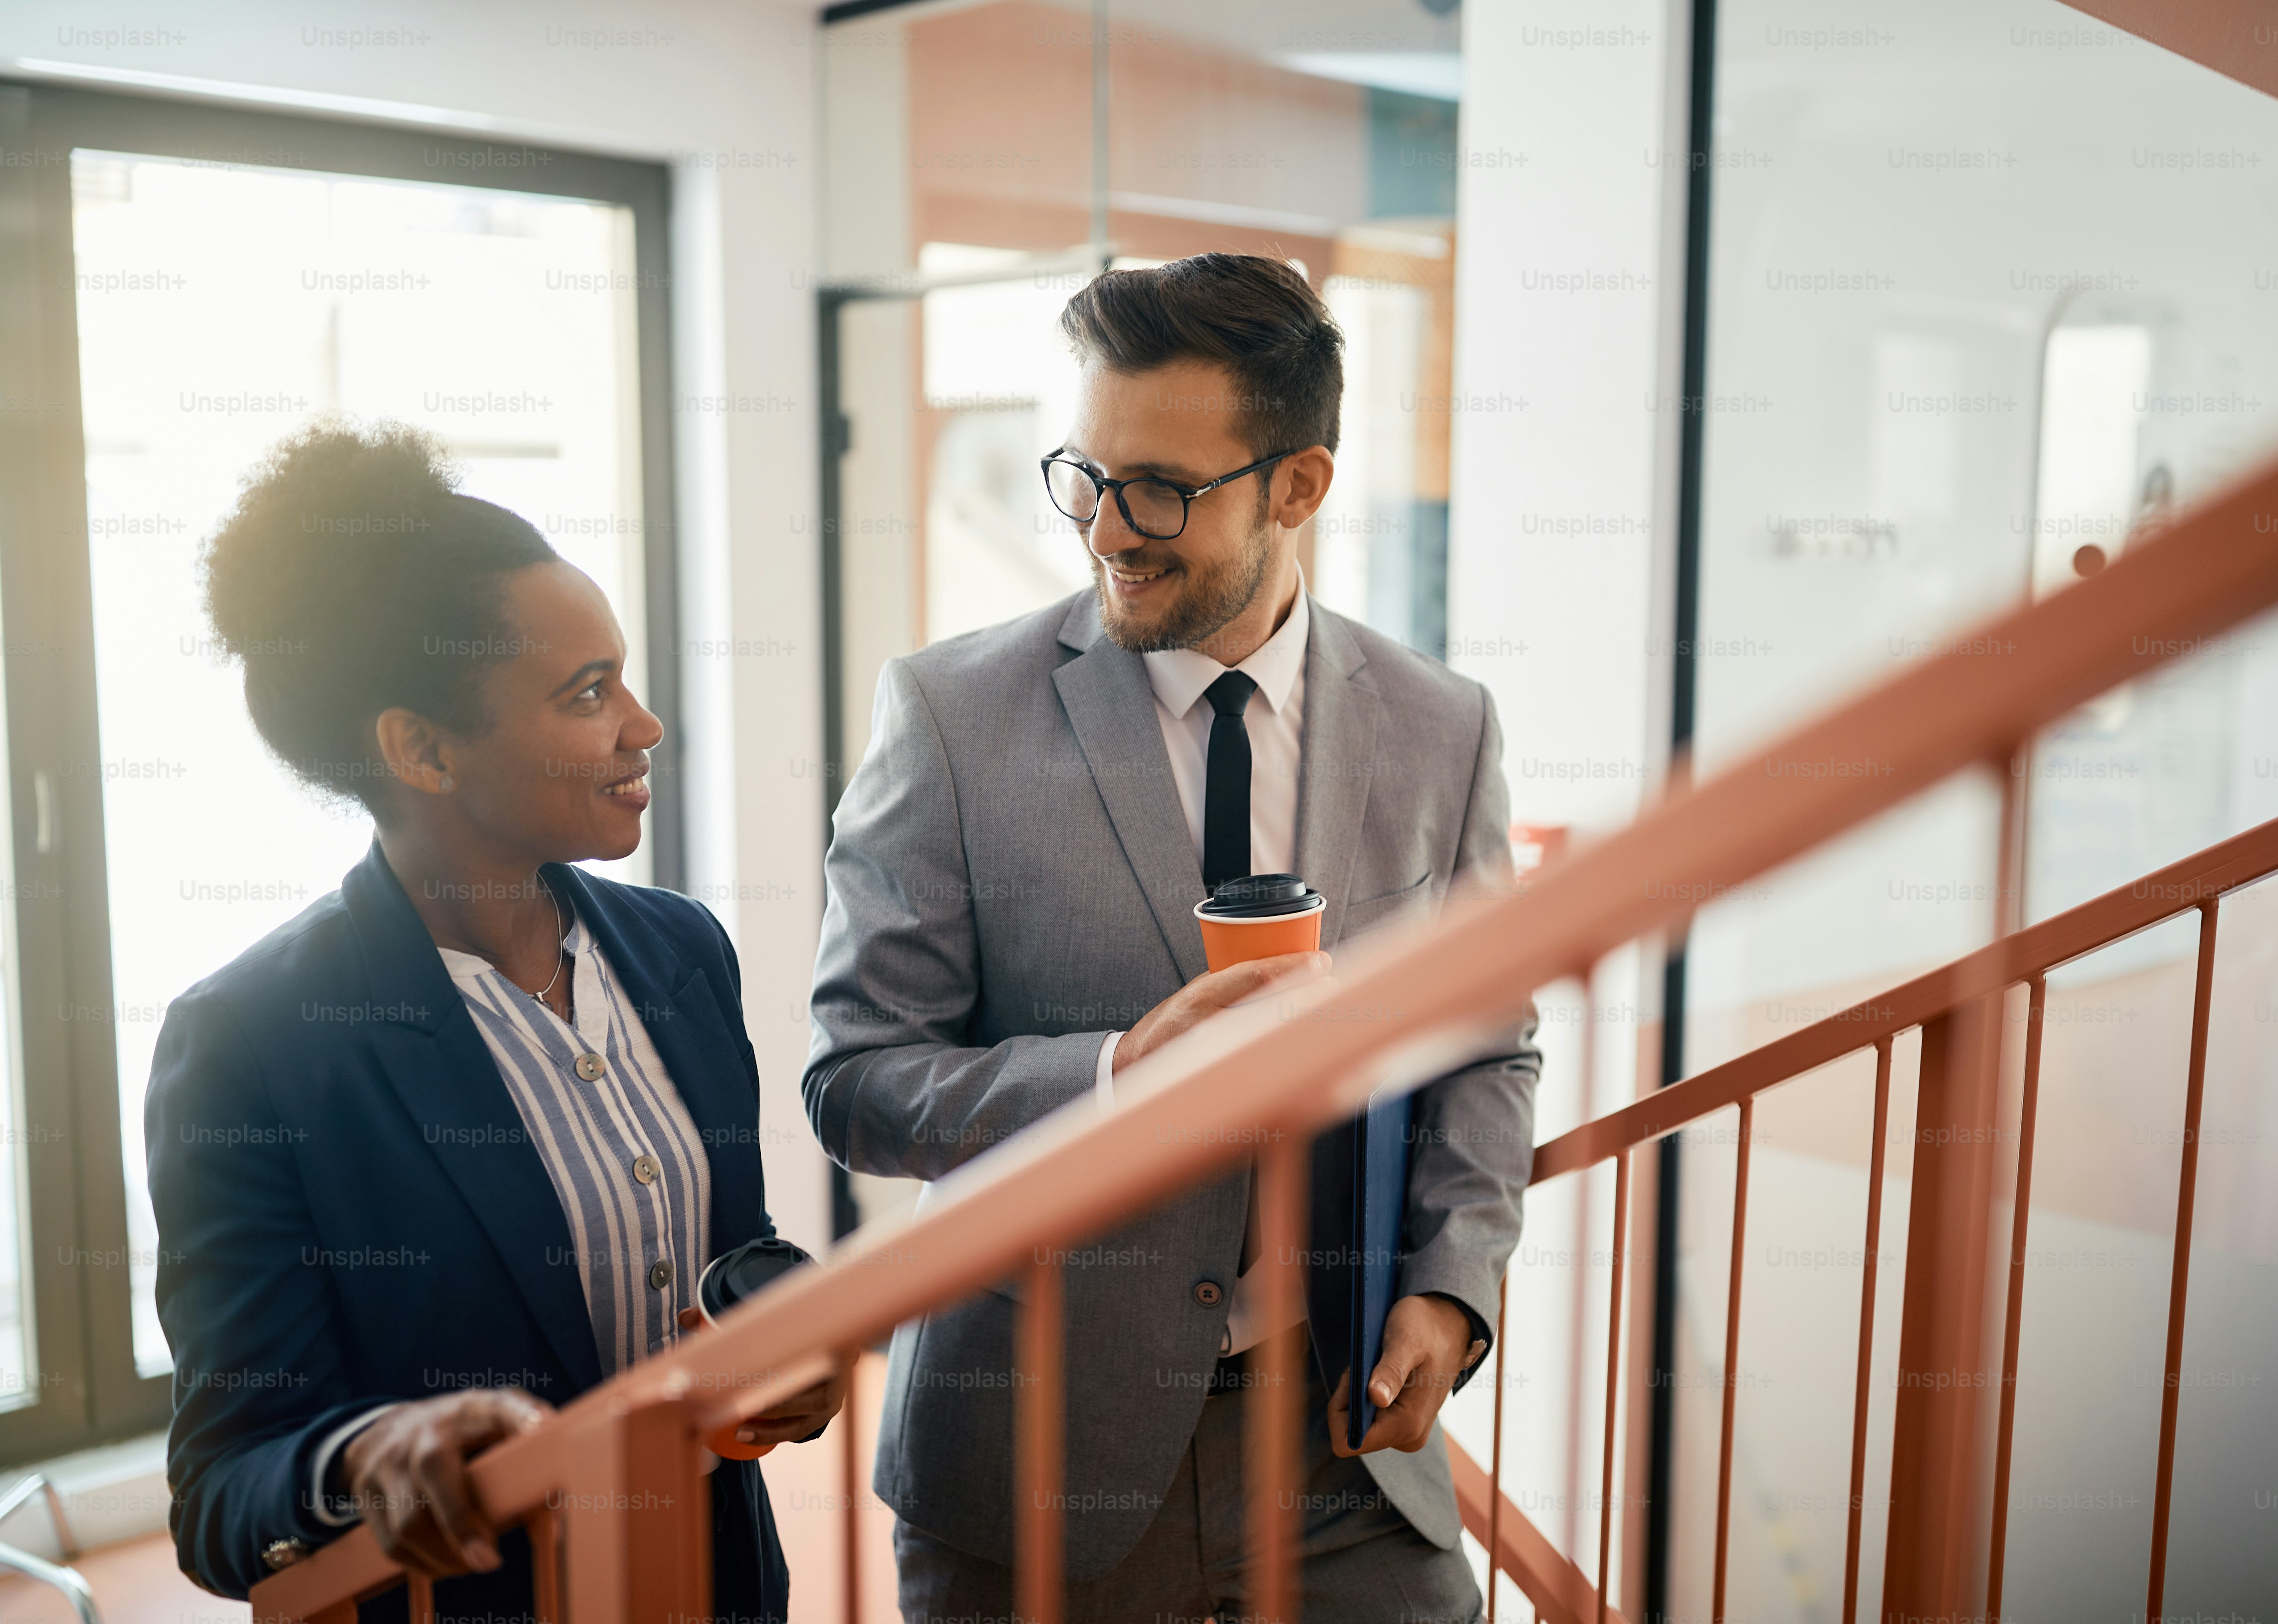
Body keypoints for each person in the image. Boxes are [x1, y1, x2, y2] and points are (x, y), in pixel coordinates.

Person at [805, 253, 1539, 1621]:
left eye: (1160, 492)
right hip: (1035, 1462)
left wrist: (1453, 1290)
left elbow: (1486, 1050)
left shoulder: (1446, 728)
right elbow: (854, 1085)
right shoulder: (949, 718)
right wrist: (1112, 1070)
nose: (1104, 531)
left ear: (1299, 487)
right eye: (1084, 476)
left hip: (1348, 1462)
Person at [147, 423, 838, 1621]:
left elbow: (733, 1260)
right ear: (420, 748)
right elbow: (223, 1490)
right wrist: (367, 1454)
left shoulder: (681, 953)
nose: (644, 725)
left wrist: (784, 1346)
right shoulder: (254, 1046)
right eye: (586, 694)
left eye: (621, 674)